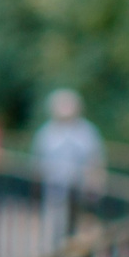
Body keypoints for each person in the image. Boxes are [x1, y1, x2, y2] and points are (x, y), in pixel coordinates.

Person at [31, 88, 106, 245]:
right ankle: (56, 255)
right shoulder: (46, 133)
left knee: (80, 228)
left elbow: (96, 159)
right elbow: (38, 163)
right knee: (55, 224)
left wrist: (96, 184)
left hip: (81, 190)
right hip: (55, 188)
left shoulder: (87, 132)